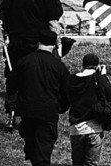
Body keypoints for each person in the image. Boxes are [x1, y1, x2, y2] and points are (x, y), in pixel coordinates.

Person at [0, 0, 64, 131]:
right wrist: (57, 41)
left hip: (15, 43)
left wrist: (6, 29)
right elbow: (52, 22)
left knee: (14, 78)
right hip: (37, 44)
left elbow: (3, 9)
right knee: (38, 79)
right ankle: (35, 115)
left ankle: (11, 115)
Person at [10, 30, 70, 166]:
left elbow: (11, 85)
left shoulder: (24, 61)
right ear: (54, 45)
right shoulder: (58, 66)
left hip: (27, 112)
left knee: (33, 150)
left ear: (38, 42)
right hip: (48, 112)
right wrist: (62, 107)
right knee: (43, 153)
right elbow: (67, 91)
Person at [68, 53, 111, 166]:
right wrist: (103, 76)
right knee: (91, 163)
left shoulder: (71, 80)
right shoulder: (99, 79)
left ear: (83, 65)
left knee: (77, 162)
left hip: (76, 128)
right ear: (97, 66)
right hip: (94, 128)